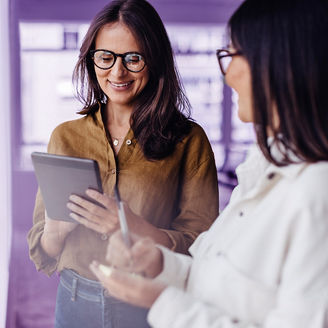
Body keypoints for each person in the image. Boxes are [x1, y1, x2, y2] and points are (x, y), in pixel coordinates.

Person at [90, 0, 328, 327]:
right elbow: (216, 277)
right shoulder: (262, 169)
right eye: (105, 58)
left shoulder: (317, 194)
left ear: (283, 64)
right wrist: (161, 264)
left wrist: (163, 304)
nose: (228, 76)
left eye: (235, 55)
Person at [27, 0, 219, 327]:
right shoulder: (65, 137)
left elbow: (204, 248)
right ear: (91, 61)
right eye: (106, 58)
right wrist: (56, 233)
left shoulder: (189, 141)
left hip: (150, 305)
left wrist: (130, 227)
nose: (117, 72)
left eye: (133, 58)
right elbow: (41, 249)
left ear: (155, 61)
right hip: (74, 302)